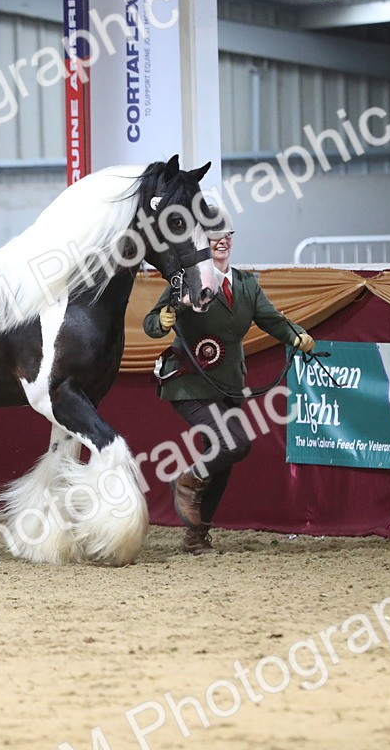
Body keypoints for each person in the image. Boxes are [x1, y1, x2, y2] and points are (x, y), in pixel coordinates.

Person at [143, 230, 315, 555]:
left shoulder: (247, 285)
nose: (221, 242)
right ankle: (186, 478)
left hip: (228, 384)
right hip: (188, 381)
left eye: (227, 236)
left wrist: (297, 336)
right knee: (233, 443)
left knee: (223, 460)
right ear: (201, 244)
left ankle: (196, 537)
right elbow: (152, 322)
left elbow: (272, 320)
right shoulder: (188, 279)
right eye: (213, 238)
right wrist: (162, 320)